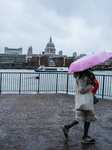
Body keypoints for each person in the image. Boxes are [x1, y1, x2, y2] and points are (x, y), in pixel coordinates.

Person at [62, 69, 97, 144]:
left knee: (82, 117)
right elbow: (82, 90)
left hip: (83, 99)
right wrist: (91, 84)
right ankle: (85, 137)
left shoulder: (82, 75)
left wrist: (91, 82)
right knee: (87, 118)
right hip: (85, 100)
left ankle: (67, 127)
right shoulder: (83, 76)